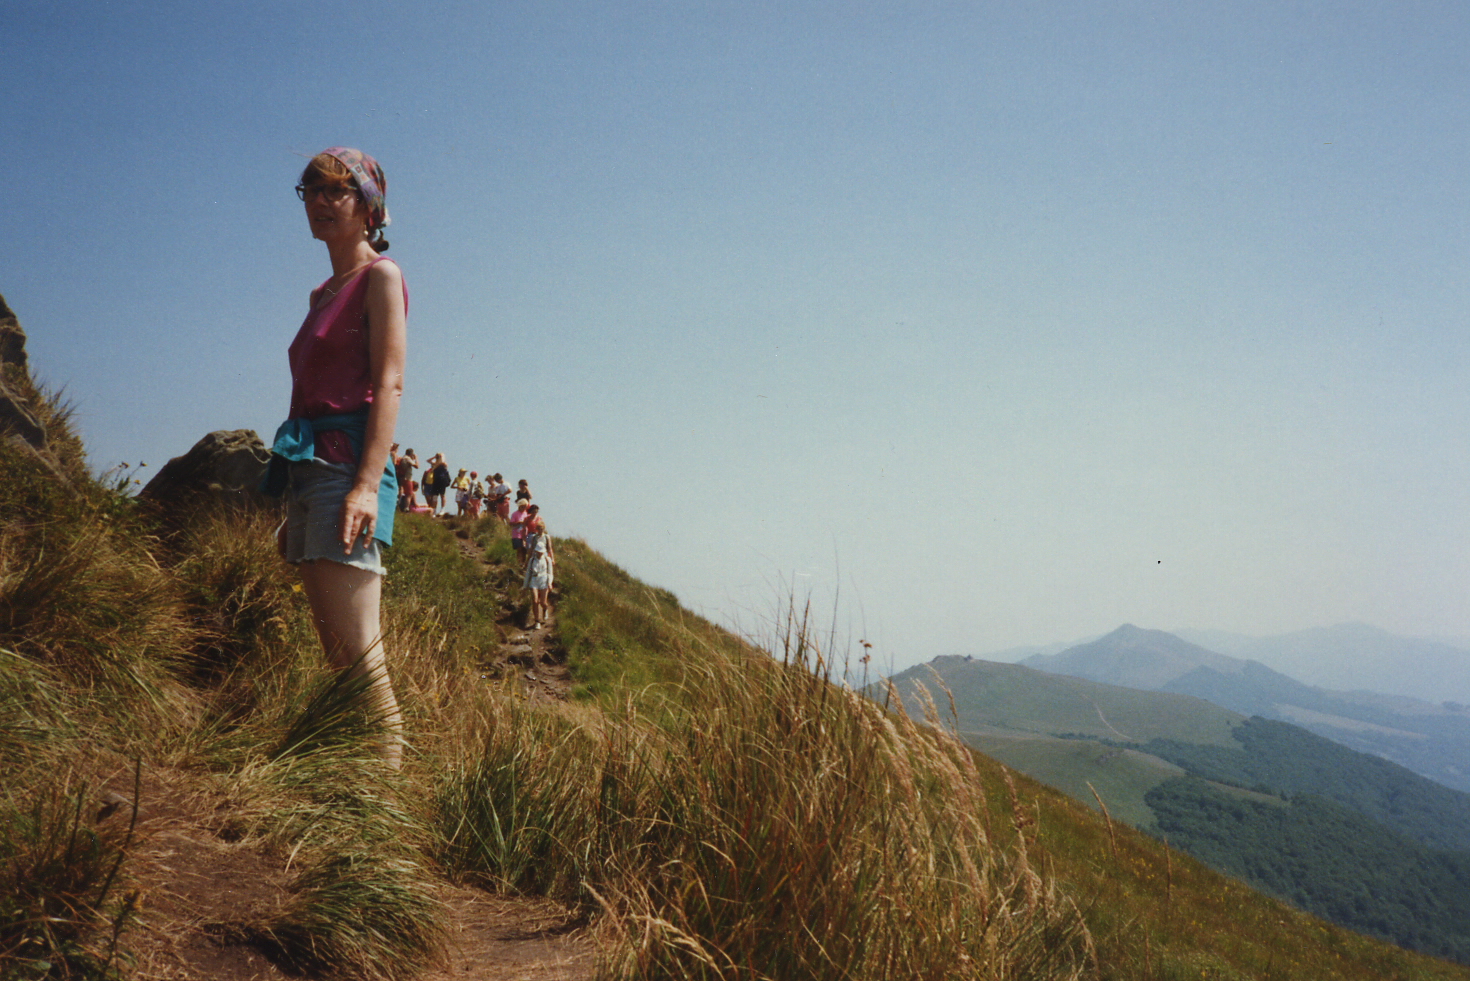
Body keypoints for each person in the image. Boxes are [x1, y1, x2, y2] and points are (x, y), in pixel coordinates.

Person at [260, 146, 405, 768]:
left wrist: (366, 486)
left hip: (348, 468)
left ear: (367, 207)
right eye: (311, 189)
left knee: (359, 646)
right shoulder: (322, 291)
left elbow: (390, 382)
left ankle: (390, 792)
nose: (320, 200)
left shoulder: (381, 277)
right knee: (338, 651)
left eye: (336, 190)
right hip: (311, 471)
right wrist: (298, 498)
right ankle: (356, 781)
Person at [521, 506, 554, 629]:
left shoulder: (546, 557)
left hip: (544, 579)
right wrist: (525, 586)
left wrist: (550, 583)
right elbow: (528, 574)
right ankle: (537, 621)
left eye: (541, 528)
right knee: (535, 601)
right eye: (538, 528)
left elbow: (550, 572)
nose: (539, 529)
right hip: (535, 579)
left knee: (542, 602)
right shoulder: (533, 559)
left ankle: (545, 610)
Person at [394, 446, 418, 512]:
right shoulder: (407, 458)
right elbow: (417, 466)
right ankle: (406, 508)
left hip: (402, 477)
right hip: (407, 478)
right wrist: (416, 459)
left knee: (403, 492)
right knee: (409, 494)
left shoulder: (403, 458)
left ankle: (399, 505)